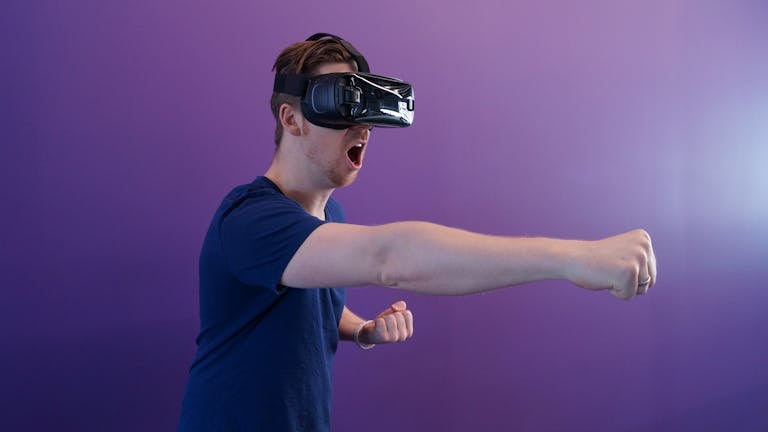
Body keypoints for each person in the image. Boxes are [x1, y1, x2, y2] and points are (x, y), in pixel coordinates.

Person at [178, 33, 657, 431]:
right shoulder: (250, 219)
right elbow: (391, 258)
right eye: (341, 107)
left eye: (365, 111)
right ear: (291, 119)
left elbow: (301, 298)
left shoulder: (330, 218)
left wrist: (360, 329)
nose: (362, 127)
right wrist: (574, 258)